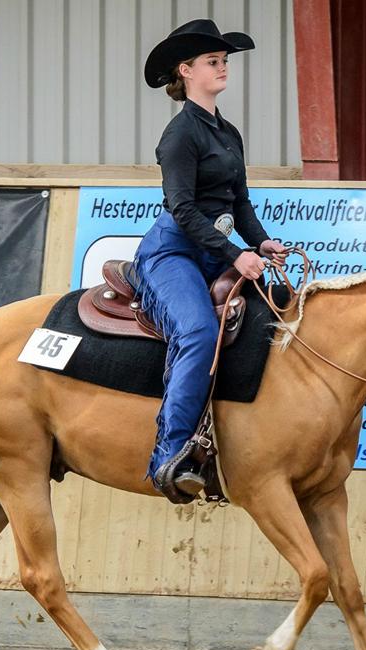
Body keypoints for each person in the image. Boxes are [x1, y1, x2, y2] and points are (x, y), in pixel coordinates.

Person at [136, 19, 286, 503]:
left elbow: (238, 201)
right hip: (173, 252)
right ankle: (170, 456)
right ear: (187, 71)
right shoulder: (180, 134)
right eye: (213, 62)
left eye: (224, 61)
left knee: (278, 311)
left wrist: (261, 243)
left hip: (215, 251)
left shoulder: (228, 132)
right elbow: (182, 208)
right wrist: (235, 254)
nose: (223, 68)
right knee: (199, 332)